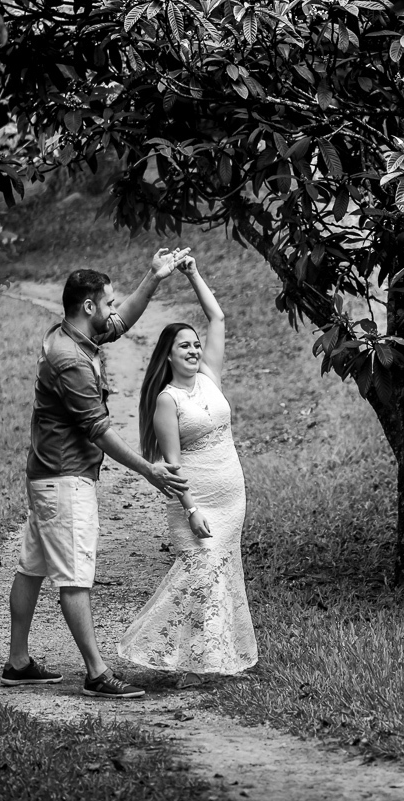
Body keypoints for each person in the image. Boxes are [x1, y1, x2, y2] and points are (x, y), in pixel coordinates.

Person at [2, 247, 192, 699]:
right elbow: (99, 428)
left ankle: (17, 662)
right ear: (87, 306)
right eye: (106, 302)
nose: (111, 310)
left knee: (32, 567)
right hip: (65, 479)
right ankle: (96, 674)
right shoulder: (69, 358)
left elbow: (120, 323)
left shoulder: (71, 336)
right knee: (75, 576)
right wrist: (149, 470)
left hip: (48, 474)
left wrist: (154, 278)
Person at [118, 255, 258, 684]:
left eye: (197, 345)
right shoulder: (167, 400)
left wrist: (193, 273)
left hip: (231, 496)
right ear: (169, 355)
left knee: (221, 574)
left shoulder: (210, 378)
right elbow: (173, 464)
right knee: (198, 575)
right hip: (196, 500)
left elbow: (216, 315)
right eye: (185, 346)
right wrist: (192, 508)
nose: (195, 350)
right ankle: (162, 652)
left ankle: (209, 661)